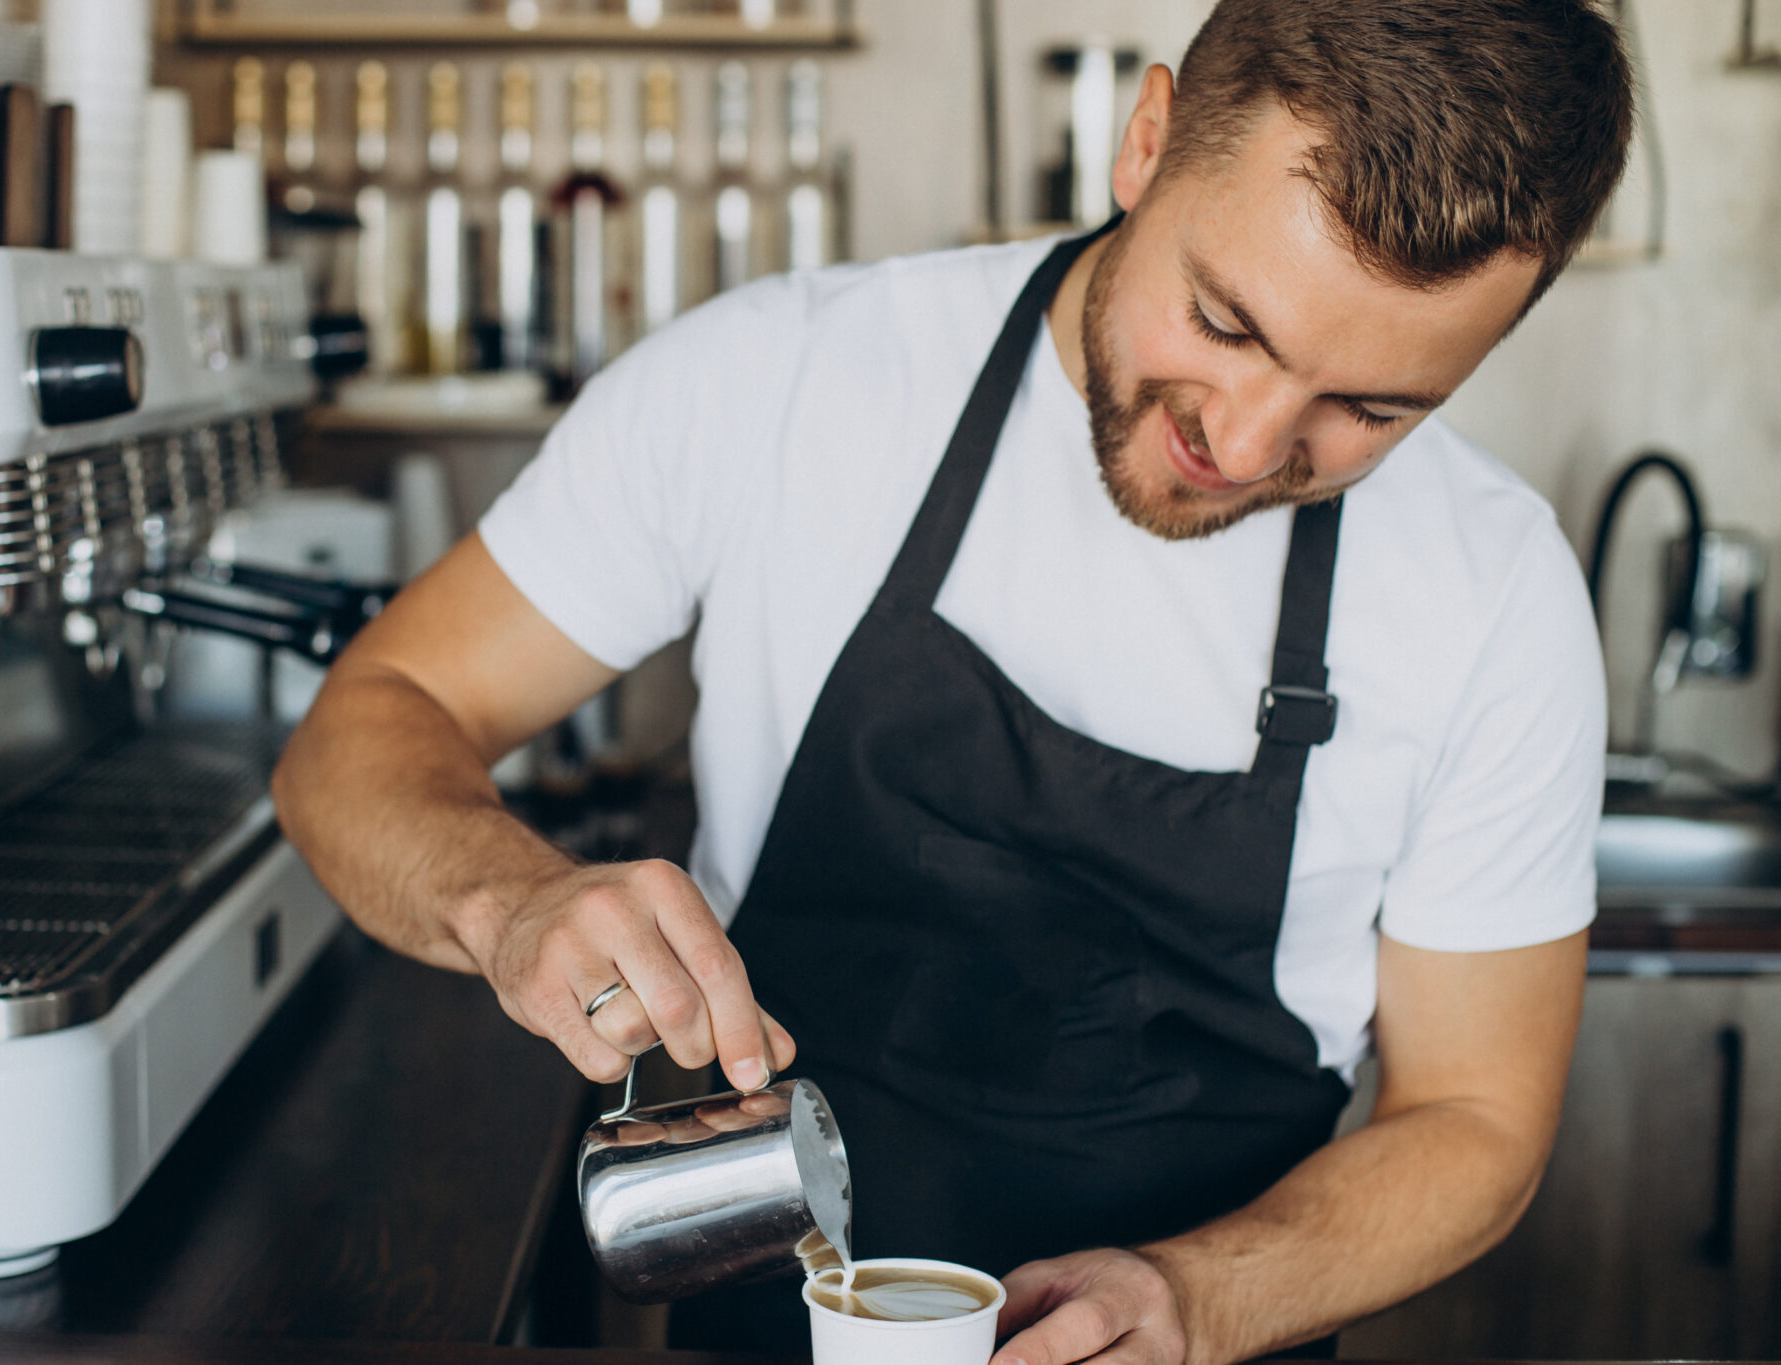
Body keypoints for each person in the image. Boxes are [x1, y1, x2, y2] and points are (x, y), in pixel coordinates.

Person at [271, 2, 1632, 1361]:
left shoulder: (1495, 589)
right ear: (1146, 143)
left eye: (1371, 410)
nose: (1246, 441)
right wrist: (509, 899)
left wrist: (1200, 1294)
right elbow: (369, 725)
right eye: (1226, 322)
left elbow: (1474, 1120)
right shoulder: (780, 380)